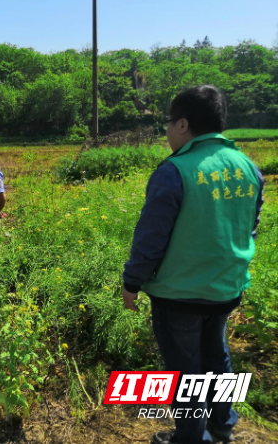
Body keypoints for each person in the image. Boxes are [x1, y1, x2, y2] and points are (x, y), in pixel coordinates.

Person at [121, 85, 264, 444]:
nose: (167, 131)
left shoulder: (175, 170)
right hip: (226, 289)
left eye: (169, 123)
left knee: (186, 373)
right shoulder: (248, 167)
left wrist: (132, 282)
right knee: (218, 358)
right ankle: (222, 427)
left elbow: (151, 238)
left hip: (179, 294)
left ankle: (190, 438)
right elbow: (250, 227)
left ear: (183, 124)